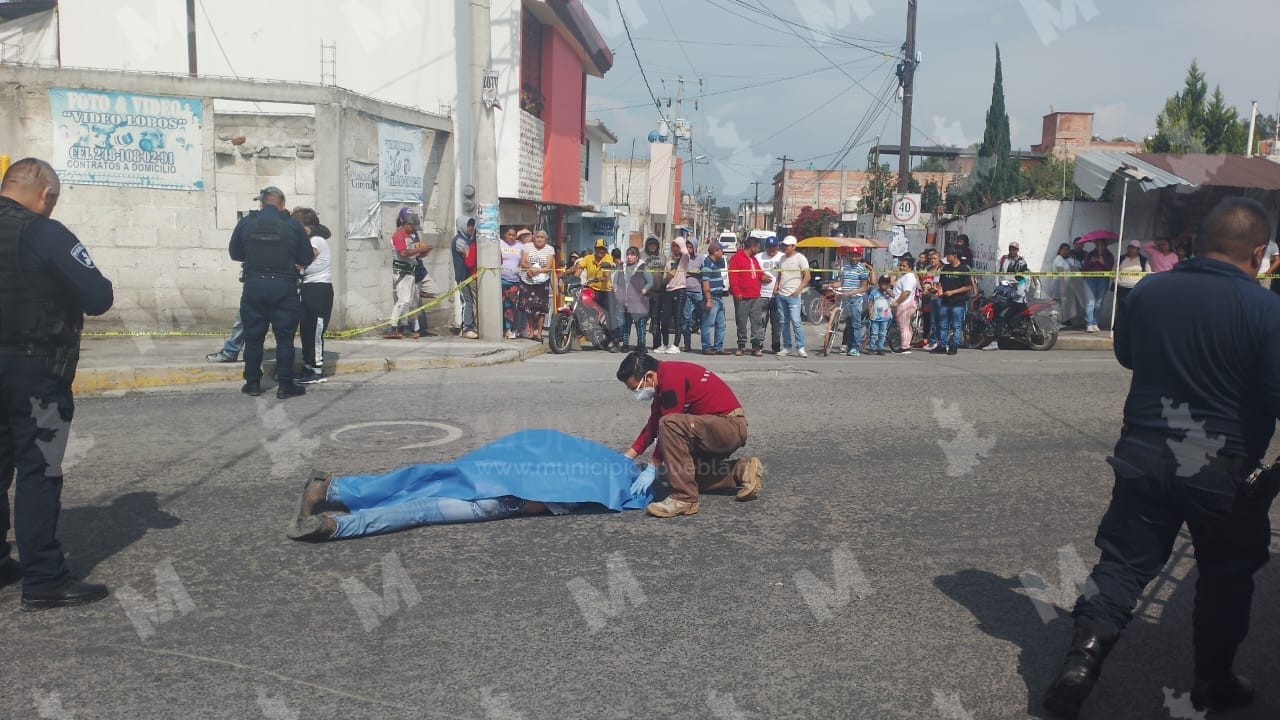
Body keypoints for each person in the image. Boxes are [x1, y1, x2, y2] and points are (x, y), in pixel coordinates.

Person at [1042, 198, 1280, 719]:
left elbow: (1128, 355)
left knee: (1124, 563)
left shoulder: (1149, 290)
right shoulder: (1268, 311)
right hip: (1223, 471)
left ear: (1197, 244)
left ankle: (1081, 660)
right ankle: (1213, 680)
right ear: (1259, 254)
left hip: (1144, 455)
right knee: (1226, 575)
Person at [0, 158, 114, 610]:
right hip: (35, 370)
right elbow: (98, 296)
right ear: (45, 194)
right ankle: (44, 578)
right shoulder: (46, 233)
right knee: (37, 471)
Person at [287, 430, 654, 541]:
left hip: (490, 468)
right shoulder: (598, 488)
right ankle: (336, 526)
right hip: (503, 496)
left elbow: (535, 438)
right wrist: (515, 505)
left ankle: (332, 489)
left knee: (424, 477)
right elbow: (543, 502)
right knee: (422, 508)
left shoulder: (590, 453)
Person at [617, 352, 763, 517]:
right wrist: (628, 456)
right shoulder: (662, 382)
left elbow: (667, 426)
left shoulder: (671, 377)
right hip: (712, 432)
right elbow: (652, 424)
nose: (636, 393)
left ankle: (684, 498)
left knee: (669, 423)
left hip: (728, 427)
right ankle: (742, 470)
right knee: (683, 476)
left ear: (649, 376)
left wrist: (652, 466)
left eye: (635, 388)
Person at [229, 187, 313, 399]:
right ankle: (285, 385)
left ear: (262, 204)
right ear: (282, 204)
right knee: (284, 338)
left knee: (253, 337)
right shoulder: (293, 226)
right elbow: (305, 257)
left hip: (254, 286)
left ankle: (253, 383)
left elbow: (235, 253)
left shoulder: (246, 223)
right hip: (284, 287)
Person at [291, 208, 332, 383]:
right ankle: (308, 366)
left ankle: (316, 369)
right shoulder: (311, 238)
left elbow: (304, 259)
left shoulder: (316, 240)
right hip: (309, 288)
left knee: (315, 330)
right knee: (306, 330)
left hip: (319, 289)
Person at [385, 208, 431, 339]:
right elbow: (403, 253)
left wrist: (422, 252)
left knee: (408, 300)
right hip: (402, 272)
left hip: (411, 270)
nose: (413, 228)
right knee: (403, 300)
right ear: (403, 222)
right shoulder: (398, 235)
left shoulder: (410, 236)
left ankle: (404, 326)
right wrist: (420, 249)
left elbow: (413, 255)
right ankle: (391, 326)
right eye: (411, 225)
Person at [566, 239, 619, 351]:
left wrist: (600, 278)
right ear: (595, 249)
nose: (601, 251)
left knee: (610, 315)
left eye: (603, 249)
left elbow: (607, 275)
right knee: (584, 309)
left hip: (606, 291)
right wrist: (568, 275)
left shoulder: (608, 258)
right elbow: (578, 268)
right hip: (592, 289)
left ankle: (615, 342)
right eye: (599, 248)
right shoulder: (588, 258)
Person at [728, 235, 770, 356]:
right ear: (752, 247)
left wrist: (762, 276)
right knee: (741, 322)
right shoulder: (736, 258)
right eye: (758, 247)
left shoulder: (754, 260)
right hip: (742, 297)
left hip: (755, 296)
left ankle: (756, 346)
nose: (759, 249)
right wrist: (737, 292)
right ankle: (741, 345)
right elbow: (733, 277)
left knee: (756, 322)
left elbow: (757, 272)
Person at [776, 236, 811, 358]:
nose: (785, 247)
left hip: (794, 295)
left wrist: (798, 290)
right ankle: (787, 347)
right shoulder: (782, 258)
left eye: (787, 245)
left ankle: (800, 347)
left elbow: (807, 276)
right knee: (783, 322)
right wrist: (776, 286)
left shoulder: (801, 258)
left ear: (794, 246)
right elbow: (780, 274)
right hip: (781, 294)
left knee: (796, 322)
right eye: (784, 245)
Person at [933, 246, 972, 356]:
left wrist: (953, 292)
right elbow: (940, 283)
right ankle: (942, 345)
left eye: (949, 255)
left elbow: (967, 286)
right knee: (943, 325)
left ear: (954, 255)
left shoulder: (963, 269)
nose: (947, 257)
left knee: (956, 326)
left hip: (958, 302)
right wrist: (939, 291)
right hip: (945, 301)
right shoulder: (946, 269)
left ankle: (954, 346)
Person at [518, 229, 555, 342]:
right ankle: (531, 332)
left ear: (545, 239)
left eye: (542, 237)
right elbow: (523, 262)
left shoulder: (549, 249)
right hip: (528, 280)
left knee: (541, 308)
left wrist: (538, 271)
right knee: (529, 307)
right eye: (537, 237)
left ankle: (539, 333)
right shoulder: (527, 246)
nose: (539, 239)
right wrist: (530, 269)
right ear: (534, 238)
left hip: (542, 281)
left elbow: (549, 266)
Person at [656, 237, 690, 354]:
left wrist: (681, 244)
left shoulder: (684, 259)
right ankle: (665, 344)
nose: (674, 248)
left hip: (679, 290)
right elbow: (667, 275)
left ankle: (675, 345)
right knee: (664, 319)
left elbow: (685, 252)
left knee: (677, 318)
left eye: (677, 246)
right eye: (673, 246)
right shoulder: (670, 260)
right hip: (668, 290)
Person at [835, 248, 870, 357]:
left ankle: (856, 347)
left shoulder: (862, 269)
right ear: (849, 255)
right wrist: (830, 285)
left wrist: (851, 293)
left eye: (856, 256)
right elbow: (840, 283)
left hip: (856, 299)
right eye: (852, 255)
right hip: (845, 299)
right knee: (848, 325)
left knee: (856, 325)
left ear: (860, 256)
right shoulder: (844, 267)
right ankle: (849, 346)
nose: (854, 258)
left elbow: (864, 288)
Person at [617, 246, 652, 350]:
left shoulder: (643, 267)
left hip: (639, 302)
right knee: (626, 324)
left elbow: (650, 282)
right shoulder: (622, 267)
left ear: (637, 256)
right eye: (628, 254)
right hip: (625, 301)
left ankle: (641, 345)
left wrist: (644, 290)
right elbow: (616, 280)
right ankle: (625, 345)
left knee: (640, 325)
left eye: (632, 255)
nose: (629, 257)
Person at [700, 242, 730, 355]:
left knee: (721, 324)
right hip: (712, 298)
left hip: (719, 297)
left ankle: (718, 347)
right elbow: (705, 282)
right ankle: (706, 347)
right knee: (708, 323)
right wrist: (708, 299)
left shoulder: (716, 263)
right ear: (715, 251)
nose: (722, 252)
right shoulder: (707, 264)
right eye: (721, 250)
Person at [1113, 240, 1148, 336]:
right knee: (1121, 308)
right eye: (1129, 247)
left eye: (1133, 248)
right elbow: (1114, 271)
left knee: (1135, 308)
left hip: (1136, 288)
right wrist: (1116, 281)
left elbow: (1148, 273)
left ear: (1138, 249)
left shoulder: (1143, 260)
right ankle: (1120, 327)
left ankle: (1134, 327)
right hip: (1122, 287)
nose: (1131, 250)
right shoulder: (1121, 258)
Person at [451, 217, 479, 339]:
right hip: (462, 276)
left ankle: (469, 326)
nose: (471, 228)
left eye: (472, 225)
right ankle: (467, 328)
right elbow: (468, 255)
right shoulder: (459, 241)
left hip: (469, 275)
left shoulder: (469, 239)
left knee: (471, 301)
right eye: (468, 225)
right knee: (467, 301)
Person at [757, 235, 784, 353]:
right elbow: (753, 272)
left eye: (774, 247)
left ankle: (776, 345)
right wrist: (761, 277)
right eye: (769, 247)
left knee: (777, 323)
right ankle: (759, 344)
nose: (771, 249)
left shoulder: (783, 257)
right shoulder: (759, 257)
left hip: (777, 295)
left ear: (777, 246)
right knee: (761, 322)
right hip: (762, 294)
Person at [498, 227, 526, 339]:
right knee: (499, 305)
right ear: (505, 235)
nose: (511, 237)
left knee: (509, 306)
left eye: (514, 235)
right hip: (500, 279)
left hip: (514, 280)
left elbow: (522, 261)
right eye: (509, 234)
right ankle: (499, 328)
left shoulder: (520, 246)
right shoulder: (499, 243)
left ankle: (508, 329)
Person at [1082, 241, 1114, 333]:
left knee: (1098, 303)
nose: (1099, 246)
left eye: (1101, 244)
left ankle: (1095, 322)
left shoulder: (1109, 255)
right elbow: (1084, 267)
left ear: (1105, 245)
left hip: (1103, 279)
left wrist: (1102, 262)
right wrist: (1092, 261)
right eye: (1097, 245)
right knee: (1090, 302)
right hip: (1090, 279)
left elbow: (1109, 268)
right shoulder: (1090, 254)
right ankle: (1089, 323)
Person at [890, 255, 918, 354]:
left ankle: (905, 347)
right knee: (906, 326)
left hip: (905, 304)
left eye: (904, 266)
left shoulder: (909, 277)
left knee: (903, 327)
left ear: (910, 267)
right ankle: (906, 344)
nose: (901, 267)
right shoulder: (905, 276)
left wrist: (897, 302)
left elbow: (906, 292)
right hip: (904, 304)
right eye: (900, 265)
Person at [642, 236, 665, 351]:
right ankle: (641, 344)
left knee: (656, 319)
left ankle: (657, 344)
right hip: (645, 293)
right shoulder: (641, 256)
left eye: (654, 245)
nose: (652, 247)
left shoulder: (662, 257)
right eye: (650, 245)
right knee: (643, 319)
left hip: (657, 292)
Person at [682, 237, 704, 352]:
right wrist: (691, 273)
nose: (689, 249)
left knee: (702, 316)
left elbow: (703, 272)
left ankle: (705, 344)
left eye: (691, 247)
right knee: (686, 318)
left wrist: (692, 273)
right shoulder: (683, 258)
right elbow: (680, 272)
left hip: (698, 291)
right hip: (686, 290)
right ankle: (687, 343)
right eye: (687, 246)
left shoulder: (700, 258)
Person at [919, 250, 944, 350]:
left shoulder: (941, 270)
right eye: (931, 259)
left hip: (939, 298)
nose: (933, 260)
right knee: (930, 320)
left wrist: (934, 289)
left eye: (935, 258)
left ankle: (937, 341)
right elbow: (924, 281)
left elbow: (942, 284)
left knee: (939, 321)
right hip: (929, 297)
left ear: (939, 259)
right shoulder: (928, 269)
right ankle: (931, 339)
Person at [865, 275, 894, 356]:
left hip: (885, 317)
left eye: (886, 283)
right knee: (874, 333)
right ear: (879, 283)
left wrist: (888, 290)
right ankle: (871, 348)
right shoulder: (874, 292)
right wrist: (870, 312)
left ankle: (880, 348)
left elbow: (893, 295)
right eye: (882, 283)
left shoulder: (889, 292)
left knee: (882, 334)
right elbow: (870, 302)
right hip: (875, 316)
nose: (884, 285)